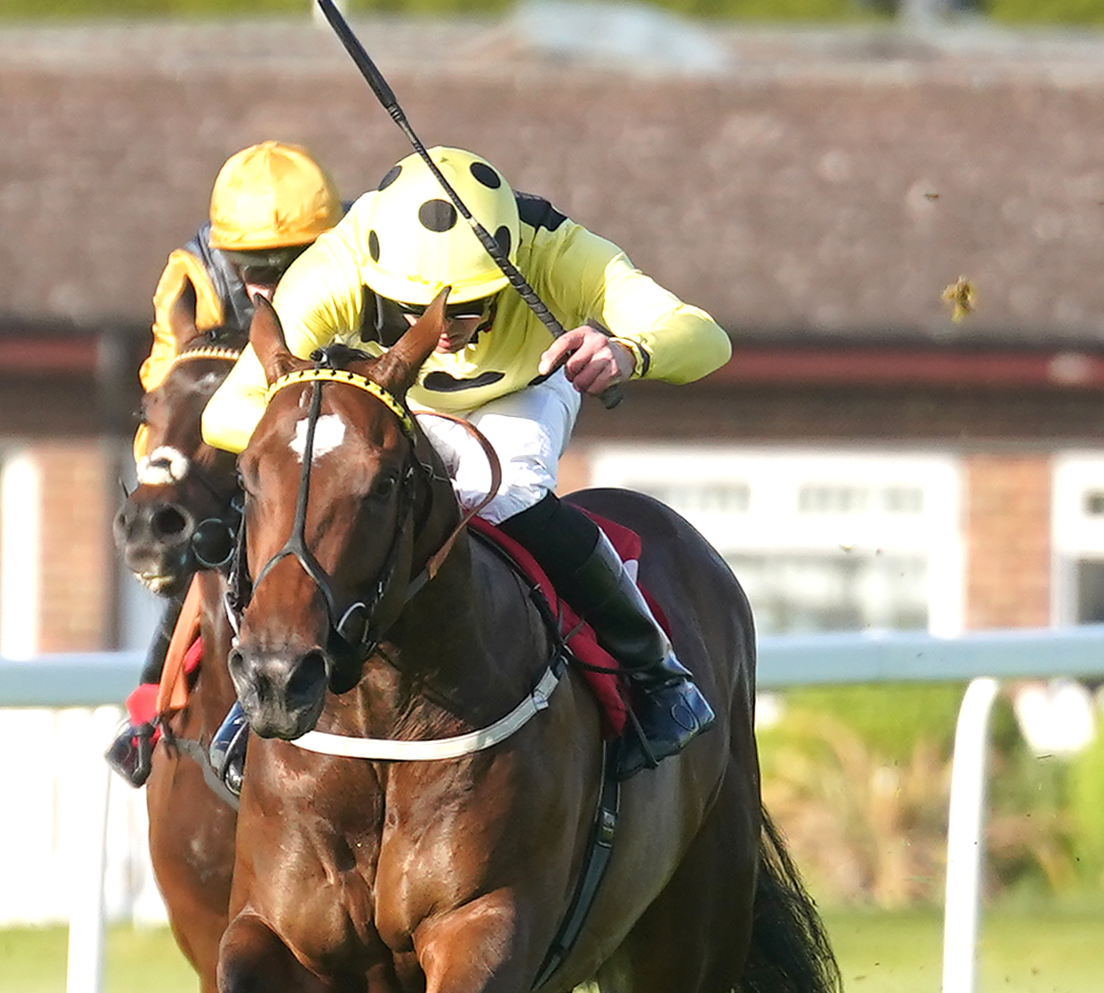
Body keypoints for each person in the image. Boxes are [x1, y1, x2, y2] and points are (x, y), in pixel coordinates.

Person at [201, 147, 731, 770]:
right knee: (308, 489)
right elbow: (227, 415)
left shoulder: (555, 252)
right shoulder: (336, 266)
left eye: (472, 306)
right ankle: (265, 666)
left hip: (522, 388)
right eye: (418, 310)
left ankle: (656, 672)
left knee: (500, 492)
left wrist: (627, 351)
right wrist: (333, 442)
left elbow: (706, 338)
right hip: (387, 399)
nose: (446, 329)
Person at [107, 143, 343, 786]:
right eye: (249, 267)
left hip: (321, 426)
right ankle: (149, 710)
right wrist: (166, 474)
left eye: (285, 266)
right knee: (208, 542)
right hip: (230, 430)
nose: (262, 283)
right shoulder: (194, 275)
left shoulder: (362, 259)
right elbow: (167, 382)